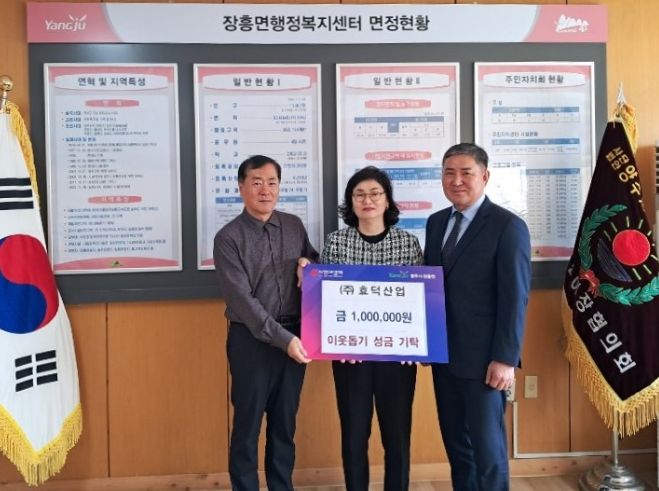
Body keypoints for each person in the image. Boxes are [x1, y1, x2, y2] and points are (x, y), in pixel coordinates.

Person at [424, 143, 531, 491]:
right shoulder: (436, 223)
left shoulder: (507, 226)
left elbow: (515, 298)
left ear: (484, 176)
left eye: (465, 173)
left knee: (488, 451)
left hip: (486, 361)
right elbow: (430, 288)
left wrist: (505, 358)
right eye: (449, 173)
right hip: (444, 357)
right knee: (457, 447)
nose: (456, 181)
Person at [213, 155, 318, 491]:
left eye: (272, 183)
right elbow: (242, 301)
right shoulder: (228, 238)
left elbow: (314, 263)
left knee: (284, 425)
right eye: (256, 182)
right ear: (241, 187)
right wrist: (284, 339)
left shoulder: (293, 225)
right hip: (252, 341)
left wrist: (307, 263)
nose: (265, 190)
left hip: (296, 337)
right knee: (248, 426)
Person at [319, 166, 423, 491]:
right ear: (350, 202)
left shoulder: (408, 243)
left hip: (397, 358)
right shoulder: (336, 242)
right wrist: (337, 343)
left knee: (397, 436)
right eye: (359, 194)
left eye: (375, 193)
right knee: (354, 434)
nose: (368, 200)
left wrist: (415, 343)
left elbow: (420, 300)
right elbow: (325, 299)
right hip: (351, 357)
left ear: (387, 200)